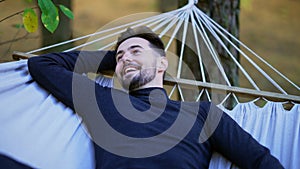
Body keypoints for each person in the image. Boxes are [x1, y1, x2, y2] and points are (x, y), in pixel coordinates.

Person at [27, 26, 283, 169]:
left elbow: (260, 161)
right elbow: (43, 65)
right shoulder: (101, 101)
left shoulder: (202, 113)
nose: (125, 57)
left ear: (162, 64)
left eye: (136, 51)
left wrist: (126, 57)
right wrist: (116, 58)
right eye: (120, 56)